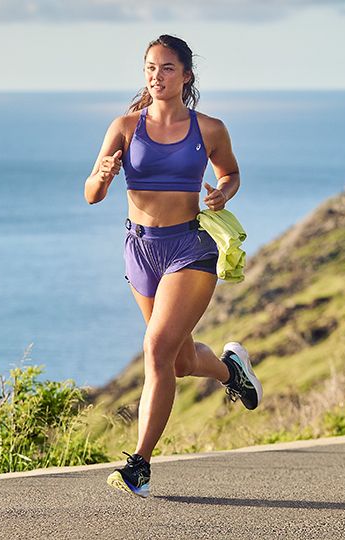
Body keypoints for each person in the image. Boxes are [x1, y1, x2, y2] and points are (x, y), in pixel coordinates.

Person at [83, 34, 262, 498]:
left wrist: (224, 191)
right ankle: (230, 371)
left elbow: (231, 173)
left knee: (156, 350)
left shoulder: (210, 129)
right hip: (140, 250)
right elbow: (91, 193)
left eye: (166, 68)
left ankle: (139, 465)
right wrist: (101, 178)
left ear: (186, 75)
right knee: (179, 361)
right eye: (149, 68)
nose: (156, 76)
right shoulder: (124, 126)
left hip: (189, 248)